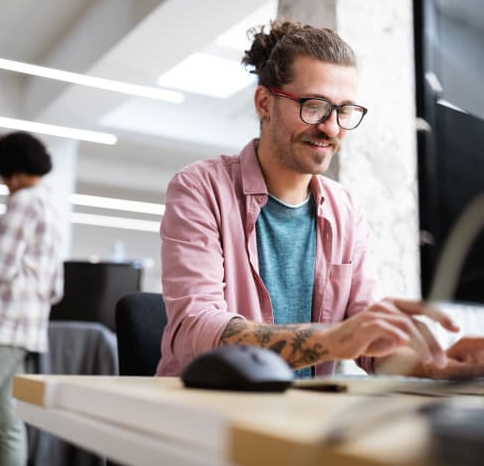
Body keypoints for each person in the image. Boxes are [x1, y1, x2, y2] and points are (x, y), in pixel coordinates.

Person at [156, 19, 484, 380]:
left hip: (302, 416)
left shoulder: (345, 209)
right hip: (207, 414)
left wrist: (436, 365)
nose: (331, 127)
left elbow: (370, 343)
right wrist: (334, 339)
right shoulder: (200, 189)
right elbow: (195, 332)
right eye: (314, 106)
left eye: (344, 111)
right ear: (264, 103)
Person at [0, 132, 63, 466]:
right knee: (5, 420)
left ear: (10, 169)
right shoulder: (50, 206)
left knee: (1, 418)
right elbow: (56, 287)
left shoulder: (24, 201)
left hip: (3, 326)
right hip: (28, 328)